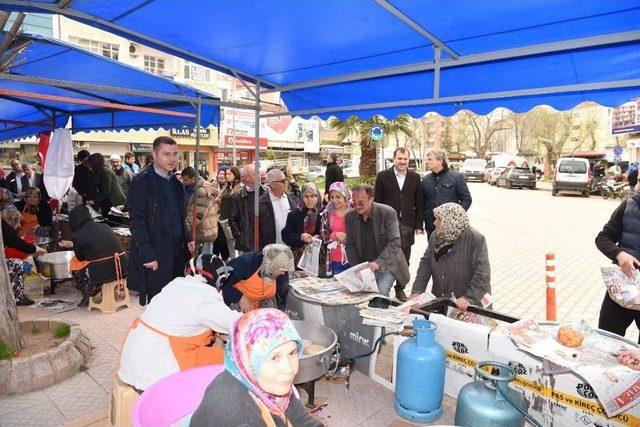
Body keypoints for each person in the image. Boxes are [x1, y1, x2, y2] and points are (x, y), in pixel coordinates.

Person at [118, 253, 240, 391]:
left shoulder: (176, 284)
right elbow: (238, 323)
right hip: (155, 373)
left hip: (132, 362)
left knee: (208, 352)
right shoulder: (204, 296)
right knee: (223, 359)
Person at [190, 309, 322, 427]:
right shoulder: (241, 417)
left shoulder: (262, 382)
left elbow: (300, 418)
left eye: (292, 353)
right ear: (249, 360)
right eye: (275, 357)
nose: (288, 368)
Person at [127, 136, 194, 305]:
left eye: (174, 154)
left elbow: (179, 215)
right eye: (166, 154)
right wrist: (147, 254)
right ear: (154, 155)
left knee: (176, 301)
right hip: (156, 253)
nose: (172, 159)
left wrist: (188, 238)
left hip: (177, 252)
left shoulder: (175, 182)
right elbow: (136, 221)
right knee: (158, 303)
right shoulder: (142, 182)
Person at [410, 203, 491, 311]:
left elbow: (482, 274)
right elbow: (426, 263)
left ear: (450, 222)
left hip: (470, 303)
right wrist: (417, 291)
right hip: (442, 299)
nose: (434, 222)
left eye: (438, 219)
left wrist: (468, 298)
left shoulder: (475, 239)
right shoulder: (436, 236)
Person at [374, 147, 424, 301]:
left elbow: (419, 202)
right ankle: (382, 290)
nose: (402, 162)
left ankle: (400, 289)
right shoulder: (383, 176)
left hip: (407, 225)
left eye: (405, 159)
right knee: (387, 256)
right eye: (400, 158)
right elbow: (377, 202)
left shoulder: (415, 177)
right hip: (387, 225)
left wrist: (418, 225)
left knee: (405, 259)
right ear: (394, 159)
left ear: (408, 160)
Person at [344, 184, 410, 298]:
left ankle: (381, 313)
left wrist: (378, 263)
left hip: (388, 262)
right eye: (354, 203)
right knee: (361, 296)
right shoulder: (350, 217)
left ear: (371, 199)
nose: (357, 206)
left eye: (361, 203)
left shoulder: (387, 213)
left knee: (380, 293)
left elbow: (395, 242)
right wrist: (357, 268)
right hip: (365, 265)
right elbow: (350, 245)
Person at [59, 205, 129, 307]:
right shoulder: (105, 226)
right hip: (123, 268)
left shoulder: (77, 235)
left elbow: (81, 258)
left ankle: (88, 292)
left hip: (104, 275)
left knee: (75, 265)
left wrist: (73, 245)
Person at [595, 192, 640, 343]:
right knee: (605, 341)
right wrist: (619, 254)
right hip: (621, 289)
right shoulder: (628, 205)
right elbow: (603, 238)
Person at [222, 244, 295, 312]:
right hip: (238, 300)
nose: (283, 273)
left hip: (262, 301)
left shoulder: (282, 274)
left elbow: (281, 297)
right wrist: (239, 297)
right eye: (281, 269)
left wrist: (279, 315)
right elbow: (221, 282)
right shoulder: (245, 263)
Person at [422, 149, 472, 236]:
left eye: (430, 159)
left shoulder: (456, 177)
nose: (427, 162)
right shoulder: (426, 179)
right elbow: (422, 202)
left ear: (440, 161)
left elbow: (466, 199)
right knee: (432, 249)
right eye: (427, 160)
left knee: (451, 250)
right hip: (431, 226)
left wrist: (455, 216)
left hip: (451, 226)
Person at [2, 207, 46, 305]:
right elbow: (20, 244)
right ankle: (17, 297)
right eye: (17, 222)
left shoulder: (3, 226)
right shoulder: (5, 229)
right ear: (11, 220)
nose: (18, 225)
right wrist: (37, 249)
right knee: (17, 264)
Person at [282, 183, 322, 265]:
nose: (309, 200)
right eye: (306, 196)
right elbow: (285, 235)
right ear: (301, 198)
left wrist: (318, 237)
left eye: (312, 196)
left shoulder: (323, 213)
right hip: (299, 259)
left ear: (317, 197)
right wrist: (300, 237)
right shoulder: (294, 214)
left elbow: (328, 233)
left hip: (319, 258)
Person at [229, 164, 266, 253]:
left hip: (265, 241)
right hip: (246, 243)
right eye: (255, 174)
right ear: (247, 177)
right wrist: (240, 236)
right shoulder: (237, 196)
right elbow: (232, 219)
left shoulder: (267, 193)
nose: (259, 176)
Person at [182, 166, 219, 254]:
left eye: (186, 180)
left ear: (193, 178)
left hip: (204, 230)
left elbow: (197, 214)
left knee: (204, 261)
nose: (183, 182)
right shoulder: (189, 188)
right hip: (198, 229)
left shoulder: (201, 191)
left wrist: (185, 228)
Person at [321, 182, 352, 274]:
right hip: (335, 260)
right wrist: (334, 235)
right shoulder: (326, 213)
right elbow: (323, 237)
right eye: (332, 197)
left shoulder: (355, 210)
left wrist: (348, 237)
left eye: (338, 197)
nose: (334, 200)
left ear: (345, 197)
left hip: (354, 258)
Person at [214, 166, 242, 260]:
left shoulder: (239, 187)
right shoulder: (227, 186)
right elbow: (217, 199)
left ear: (235, 175)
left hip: (235, 220)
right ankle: (233, 262)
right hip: (224, 219)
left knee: (238, 244)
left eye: (229, 174)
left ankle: (241, 262)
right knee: (229, 244)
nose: (227, 176)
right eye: (226, 174)